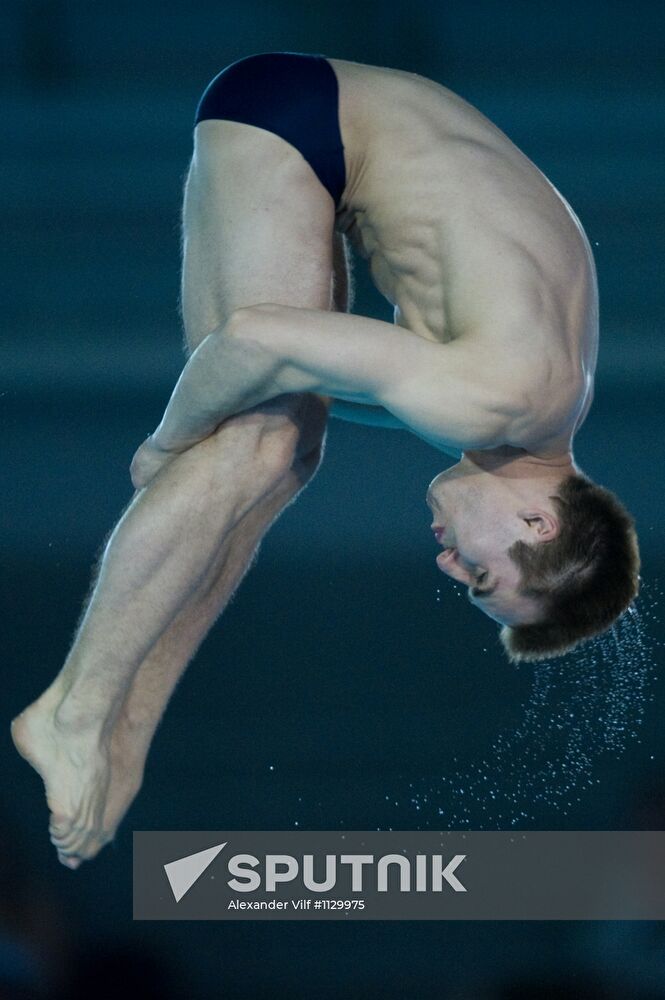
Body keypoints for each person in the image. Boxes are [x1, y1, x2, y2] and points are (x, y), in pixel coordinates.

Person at [11, 52, 639, 868]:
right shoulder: (491, 400)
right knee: (255, 441)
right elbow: (251, 341)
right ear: (536, 518)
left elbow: (306, 379)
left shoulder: (533, 409)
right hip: (304, 117)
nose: (448, 566)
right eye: (480, 576)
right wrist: (165, 445)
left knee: (284, 448)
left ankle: (126, 728)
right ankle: (73, 710)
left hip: (334, 126)